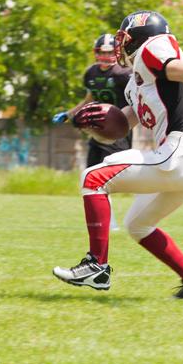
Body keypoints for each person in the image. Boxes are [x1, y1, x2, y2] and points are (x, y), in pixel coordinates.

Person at [52, 10, 183, 301]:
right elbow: (123, 124)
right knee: (137, 224)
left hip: (180, 153)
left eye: (124, 38)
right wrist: (90, 125)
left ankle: (96, 266)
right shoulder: (138, 80)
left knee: (93, 178)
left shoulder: (153, 49)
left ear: (139, 37)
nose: (120, 45)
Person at [52, 34, 132, 230]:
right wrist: (70, 114)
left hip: (118, 131)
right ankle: (104, 222)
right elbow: (89, 98)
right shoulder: (92, 73)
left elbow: (135, 99)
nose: (105, 56)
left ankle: (115, 220)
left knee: (109, 179)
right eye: (102, 52)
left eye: (109, 52)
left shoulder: (124, 74)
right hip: (96, 131)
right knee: (91, 176)